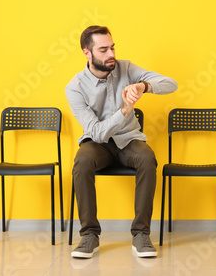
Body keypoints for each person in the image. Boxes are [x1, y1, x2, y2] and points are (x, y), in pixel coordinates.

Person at [65, 25, 177, 258]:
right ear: (87, 53)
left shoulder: (125, 68)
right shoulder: (75, 87)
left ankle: (141, 234)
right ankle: (89, 235)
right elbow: (96, 132)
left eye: (112, 47)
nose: (111, 54)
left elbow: (170, 84)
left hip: (129, 140)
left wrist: (143, 86)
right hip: (98, 145)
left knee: (147, 158)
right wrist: (125, 111)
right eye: (103, 49)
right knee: (82, 161)